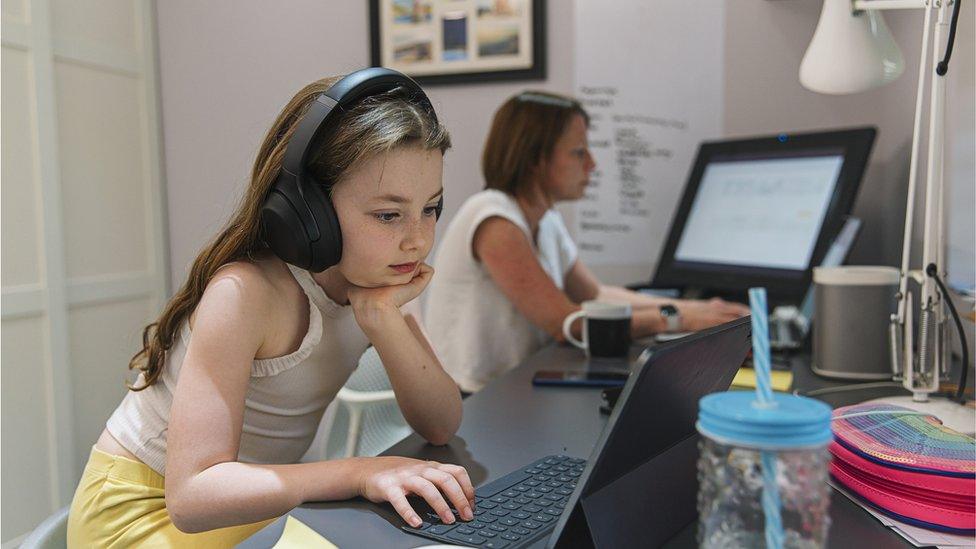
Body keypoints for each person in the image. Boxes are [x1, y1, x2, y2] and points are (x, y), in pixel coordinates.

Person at [67, 69, 474, 547]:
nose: (419, 239)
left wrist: (383, 319)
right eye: (388, 215)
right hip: (139, 516)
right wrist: (360, 471)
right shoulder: (246, 294)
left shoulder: (378, 280)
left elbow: (441, 423)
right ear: (309, 210)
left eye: (431, 208)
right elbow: (192, 496)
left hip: (245, 505)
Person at [425, 91, 749, 394]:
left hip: (519, 386)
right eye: (579, 152)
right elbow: (565, 322)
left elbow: (595, 295)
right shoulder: (493, 218)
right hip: (475, 399)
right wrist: (678, 320)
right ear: (536, 158)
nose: (592, 165)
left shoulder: (546, 220)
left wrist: (694, 308)